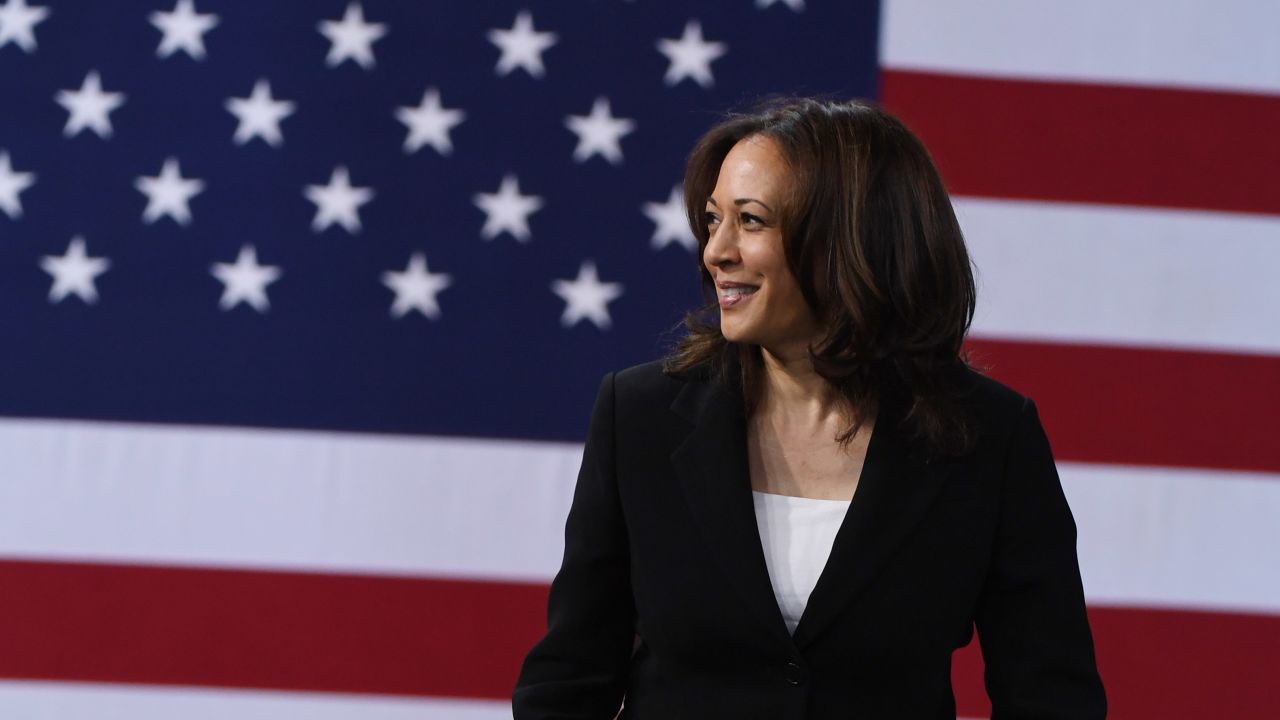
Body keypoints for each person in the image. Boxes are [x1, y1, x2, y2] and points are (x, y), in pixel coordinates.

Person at [511, 97, 1106, 719]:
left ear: (850, 242)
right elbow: (568, 683)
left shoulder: (988, 438)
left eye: (752, 221)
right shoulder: (639, 416)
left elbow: (1052, 696)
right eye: (713, 220)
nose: (716, 251)